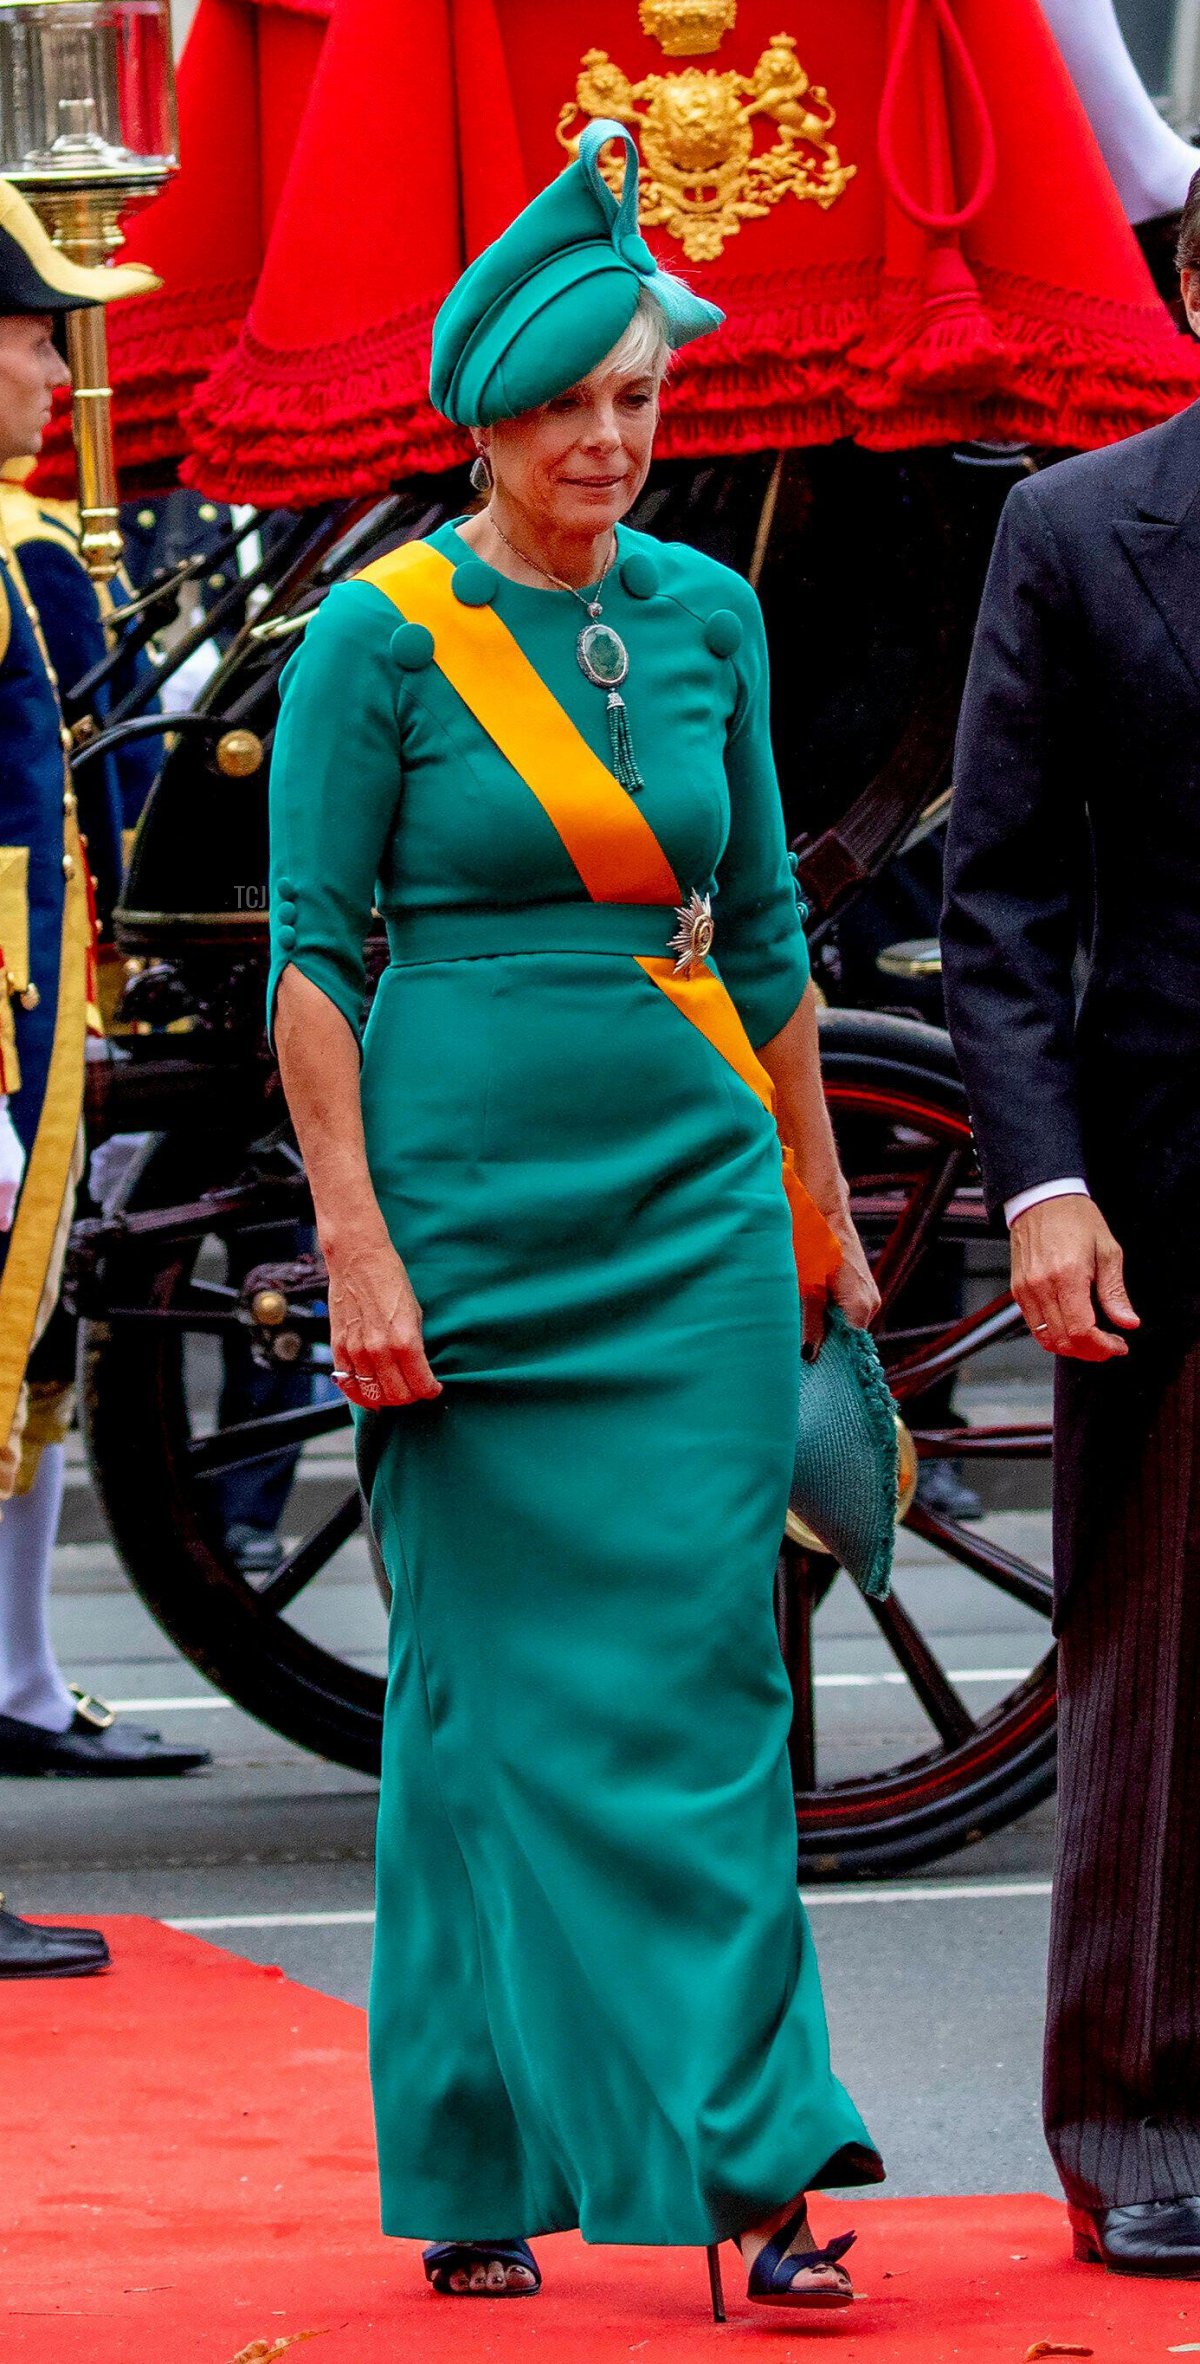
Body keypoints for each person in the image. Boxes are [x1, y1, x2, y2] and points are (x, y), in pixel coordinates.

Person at [268, 119, 883, 2313]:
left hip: (693, 1204)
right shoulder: (381, 638)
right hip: (460, 1216)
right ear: (491, 415)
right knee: (472, 1700)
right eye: (571, 403)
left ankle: (760, 2156)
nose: (614, 440)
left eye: (640, 398)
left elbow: (780, 930)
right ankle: (471, 2149)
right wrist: (354, 1238)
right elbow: (313, 962)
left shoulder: (711, 616)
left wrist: (821, 1197)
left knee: (712, 1679)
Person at [941, 167, 1200, 2283]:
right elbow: (1001, 903)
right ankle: (1141, 2113)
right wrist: (1039, 1184)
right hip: (1168, 1186)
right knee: (1164, 1674)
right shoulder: (1076, 530)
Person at [0, 178, 207, 1778]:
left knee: (38, 1354)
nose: (61, 379)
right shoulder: (21, 552)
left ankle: (18, 1681)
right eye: (31, 342)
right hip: (11, 1027)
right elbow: (110, 783)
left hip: (38, 1015)